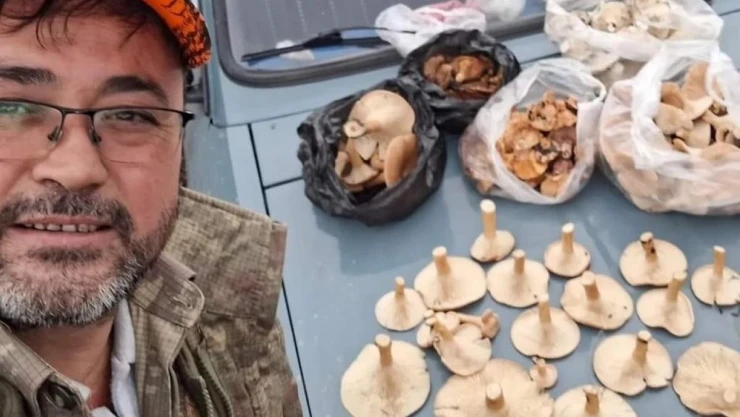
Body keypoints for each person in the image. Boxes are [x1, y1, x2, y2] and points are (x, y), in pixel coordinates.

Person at [0, 0, 302, 416]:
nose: (77, 169)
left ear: (180, 145)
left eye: (130, 114)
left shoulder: (230, 313)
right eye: (11, 108)